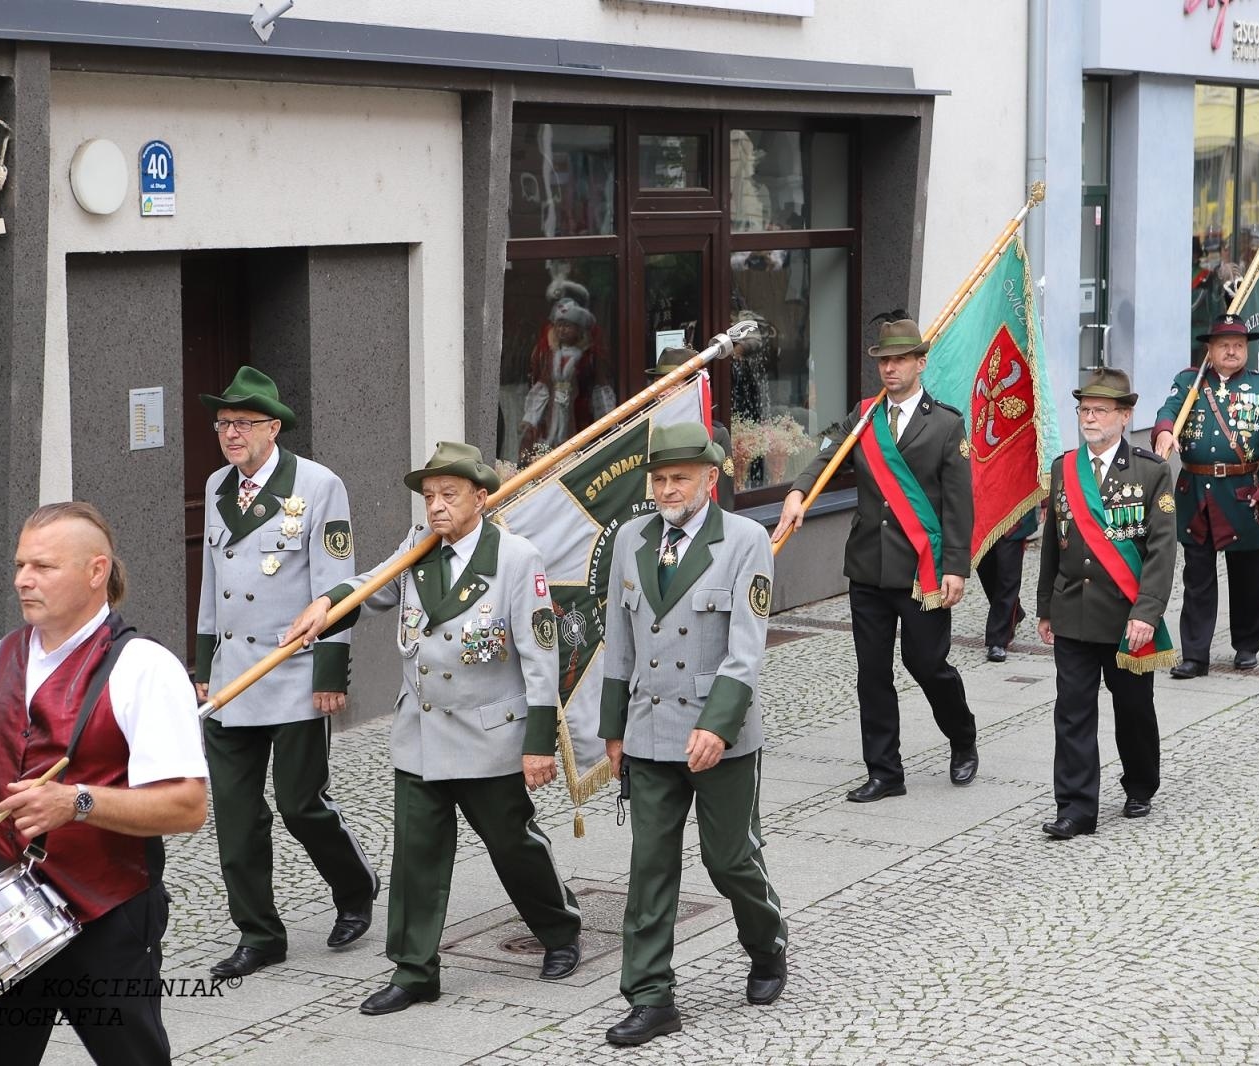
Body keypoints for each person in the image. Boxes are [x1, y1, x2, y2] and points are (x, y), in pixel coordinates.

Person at [283, 441, 582, 1016]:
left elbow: (541, 657)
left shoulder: (516, 559)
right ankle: (414, 969)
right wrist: (327, 602)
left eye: (448, 495)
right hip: (420, 732)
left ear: (481, 498)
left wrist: (538, 745)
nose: (436, 506)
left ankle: (559, 929)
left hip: (490, 735)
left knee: (512, 845)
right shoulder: (417, 550)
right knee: (416, 856)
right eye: (428, 497)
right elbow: (372, 586)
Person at [0, 502, 208, 1066]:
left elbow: (188, 806)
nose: (22, 580)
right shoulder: (0, 655)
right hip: (5, 906)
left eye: (43, 567)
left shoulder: (144, 668)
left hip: (107, 911)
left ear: (95, 571)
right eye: (19, 565)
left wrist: (77, 802)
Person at [598, 422, 786, 1047]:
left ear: (710, 479)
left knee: (729, 859)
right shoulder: (629, 538)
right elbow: (617, 640)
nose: (667, 489)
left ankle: (766, 939)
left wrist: (718, 725)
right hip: (650, 730)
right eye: (659, 479)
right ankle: (651, 996)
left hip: (717, 733)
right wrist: (613, 727)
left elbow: (746, 649)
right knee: (650, 866)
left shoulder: (744, 540)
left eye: (680, 478)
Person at [195, 366, 379, 979]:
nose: (230, 434)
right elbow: (209, 585)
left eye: (242, 423)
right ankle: (259, 934)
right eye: (223, 423)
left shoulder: (319, 486)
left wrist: (332, 669)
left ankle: (354, 887)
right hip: (231, 677)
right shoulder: (218, 485)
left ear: (273, 428)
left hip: (295, 669)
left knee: (302, 805)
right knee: (236, 814)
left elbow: (336, 582)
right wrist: (203, 666)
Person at [775, 317, 978, 801]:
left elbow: (959, 504)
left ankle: (962, 737)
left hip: (921, 570)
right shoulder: (864, 417)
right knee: (872, 672)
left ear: (920, 363)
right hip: (868, 566)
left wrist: (955, 567)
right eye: (884, 360)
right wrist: (798, 491)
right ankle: (885, 772)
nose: (890, 368)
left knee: (927, 664)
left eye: (900, 360)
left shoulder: (947, 425)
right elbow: (827, 455)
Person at [1036, 370, 1176, 840]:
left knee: (1133, 708)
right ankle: (1075, 808)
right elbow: (1054, 546)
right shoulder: (1063, 469)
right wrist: (1045, 607)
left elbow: (1161, 551)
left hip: (1125, 617)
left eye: (1100, 411)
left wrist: (1146, 613)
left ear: (1124, 416)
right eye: (1084, 410)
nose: (1090, 418)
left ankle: (1140, 783)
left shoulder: (1150, 472)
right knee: (1072, 711)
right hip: (1073, 611)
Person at [1153, 313, 1259, 677]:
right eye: (1224, 345)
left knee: (1249, 577)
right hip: (1196, 492)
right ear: (1210, 350)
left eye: (1238, 345)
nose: (1232, 351)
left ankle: (1247, 644)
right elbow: (1167, 412)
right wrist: (1164, 432)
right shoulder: (1189, 382)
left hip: (1244, 492)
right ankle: (1195, 654)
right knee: (1197, 578)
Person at [519, 284, 615, 461]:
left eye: (568, 326)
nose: (562, 330)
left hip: (580, 416)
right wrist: (531, 418)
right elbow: (543, 387)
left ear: (579, 329)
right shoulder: (549, 356)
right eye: (559, 326)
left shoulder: (589, 357)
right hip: (552, 416)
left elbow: (600, 387)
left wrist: (607, 420)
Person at [645, 345, 736, 504]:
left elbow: (723, 498)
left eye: (672, 385)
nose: (662, 392)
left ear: (690, 388)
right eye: (658, 384)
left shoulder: (714, 434)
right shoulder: (645, 429)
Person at [974, 508, 1038, 663]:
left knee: (1007, 573)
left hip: (1015, 510)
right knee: (983, 565)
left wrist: (1045, 502)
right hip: (983, 506)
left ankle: (998, 639)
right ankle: (1014, 612)